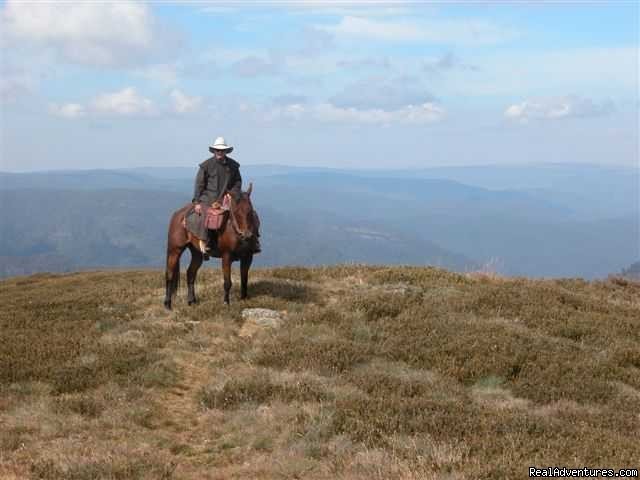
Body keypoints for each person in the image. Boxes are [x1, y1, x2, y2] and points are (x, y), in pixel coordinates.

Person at [192, 137, 260, 254]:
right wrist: (197, 202)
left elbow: (238, 181)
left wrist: (232, 193)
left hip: (228, 197)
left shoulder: (233, 165)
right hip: (208, 198)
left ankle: (254, 241)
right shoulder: (206, 166)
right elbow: (199, 184)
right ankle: (207, 241)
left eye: (222, 150)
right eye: (217, 150)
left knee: (249, 213)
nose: (220, 152)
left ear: (225, 151)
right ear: (214, 151)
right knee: (208, 217)